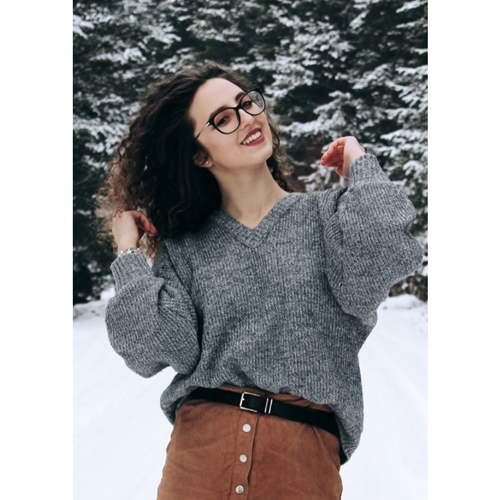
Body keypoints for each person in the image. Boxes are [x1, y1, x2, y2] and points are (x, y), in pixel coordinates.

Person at [98, 61, 422, 499]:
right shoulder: (186, 248)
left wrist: (361, 164)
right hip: (198, 461)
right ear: (200, 155)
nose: (248, 118)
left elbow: (387, 251)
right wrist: (128, 254)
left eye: (246, 103)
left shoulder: (327, 218)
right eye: (223, 119)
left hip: (299, 464)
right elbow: (153, 349)